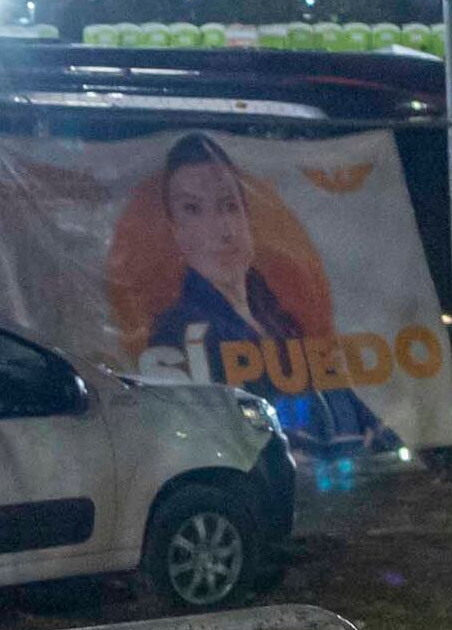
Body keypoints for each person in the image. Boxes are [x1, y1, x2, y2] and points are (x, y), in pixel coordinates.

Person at [137, 133, 384, 448]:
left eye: (229, 205)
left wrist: (378, 434)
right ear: (176, 231)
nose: (222, 230)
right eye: (193, 209)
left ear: (246, 216)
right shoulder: (178, 337)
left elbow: (345, 402)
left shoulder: (282, 321)